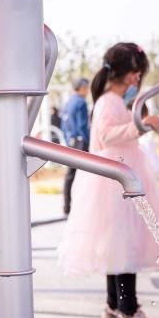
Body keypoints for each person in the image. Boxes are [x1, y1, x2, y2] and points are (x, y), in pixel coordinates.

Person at [58, 43, 159, 318]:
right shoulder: (109, 102)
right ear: (131, 74)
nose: (139, 80)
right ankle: (129, 313)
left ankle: (114, 308)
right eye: (138, 74)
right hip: (117, 180)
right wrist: (141, 125)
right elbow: (106, 136)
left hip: (116, 178)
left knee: (117, 244)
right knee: (125, 243)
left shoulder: (107, 100)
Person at [61, 78, 90, 215]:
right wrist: (88, 142)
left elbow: (64, 124)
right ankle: (82, 206)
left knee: (70, 175)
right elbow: (83, 125)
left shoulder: (69, 102)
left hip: (70, 142)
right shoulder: (81, 102)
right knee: (84, 175)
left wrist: (68, 140)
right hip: (80, 142)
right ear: (83, 88)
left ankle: (67, 205)